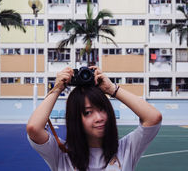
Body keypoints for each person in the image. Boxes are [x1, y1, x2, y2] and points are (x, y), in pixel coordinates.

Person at [27, 66, 162, 171]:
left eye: (102, 109)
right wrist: (57, 88)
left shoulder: (126, 149)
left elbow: (153, 118)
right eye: (88, 113)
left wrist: (112, 89)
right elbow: (34, 128)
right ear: (76, 120)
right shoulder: (61, 154)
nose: (99, 118)